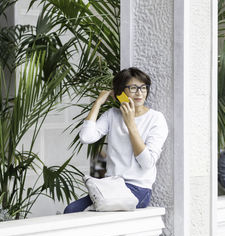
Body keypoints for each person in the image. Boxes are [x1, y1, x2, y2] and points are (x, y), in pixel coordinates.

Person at [64, 67, 168, 213]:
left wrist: (130, 123)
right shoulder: (112, 115)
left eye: (143, 88)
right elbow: (86, 137)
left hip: (138, 189)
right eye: (133, 88)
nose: (140, 93)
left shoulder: (156, 119)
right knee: (71, 210)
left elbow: (147, 163)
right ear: (120, 92)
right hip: (111, 186)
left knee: (85, 214)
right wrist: (98, 102)